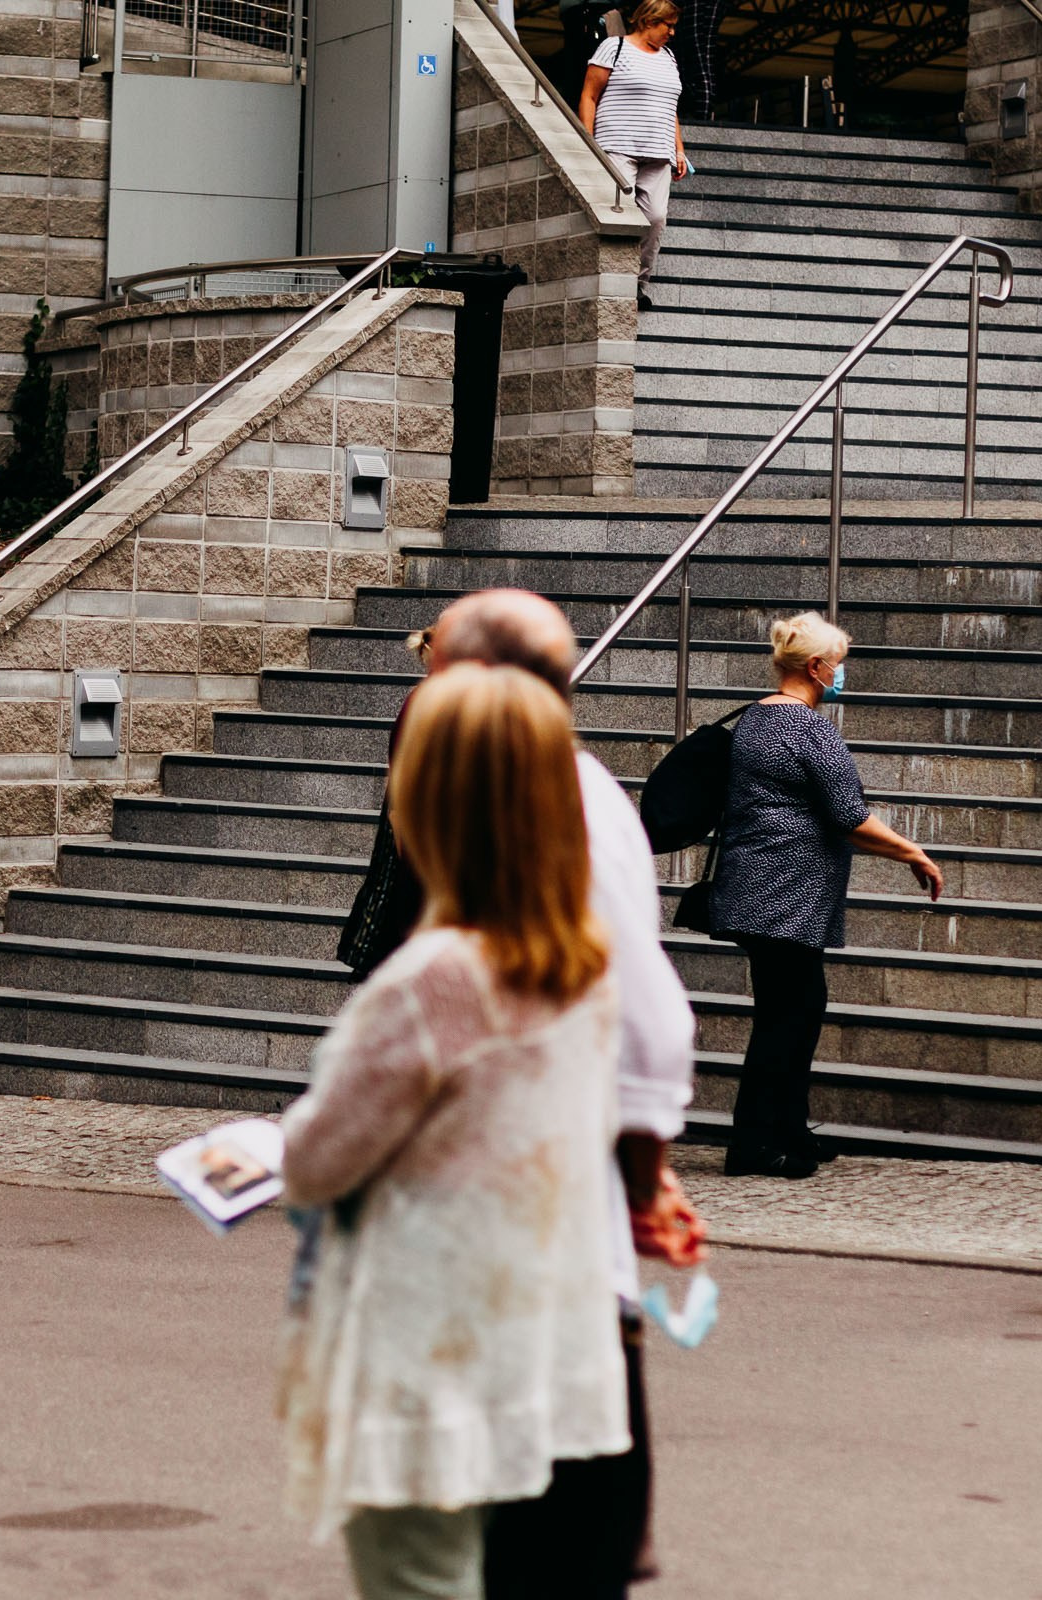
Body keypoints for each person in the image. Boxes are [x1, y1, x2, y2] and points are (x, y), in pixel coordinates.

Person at [335, 589, 699, 1594]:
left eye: (436, 672)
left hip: (517, 1271)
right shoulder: (558, 791)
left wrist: (639, 1174)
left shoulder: (548, 803)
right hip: (543, 1256)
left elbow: (648, 1015)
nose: (422, 696)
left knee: (521, 1554)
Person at [281, 662, 628, 1600]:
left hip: (426, 1349)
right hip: (529, 1340)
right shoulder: (581, 966)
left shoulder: (434, 979)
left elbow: (317, 1161)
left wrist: (261, 1153)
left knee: (420, 1580)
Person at [706, 611, 944, 1179]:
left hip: (758, 887)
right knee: (787, 1017)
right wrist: (913, 852)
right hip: (784, 893)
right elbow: (849, 817)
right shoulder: (810, 729)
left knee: (796, 1009)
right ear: (815, 667)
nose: (840, 675)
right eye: (837, 666)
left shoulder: (756, 720)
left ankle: (787, 1129)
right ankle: (752, 1146)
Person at [579, 0, 690, 312]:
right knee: (619, 217)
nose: (671, 32)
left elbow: (671, 107)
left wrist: (678, 149)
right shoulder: (614, 48)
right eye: (666, 25)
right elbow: (589, 95)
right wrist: (588, 141)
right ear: (647, 22)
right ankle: (611, 280)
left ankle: (637, 285)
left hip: (659, 151)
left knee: (655, 218)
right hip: (617, 146)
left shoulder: (668, 56)